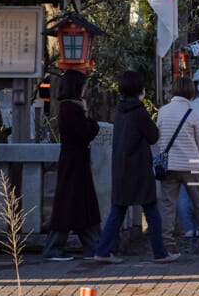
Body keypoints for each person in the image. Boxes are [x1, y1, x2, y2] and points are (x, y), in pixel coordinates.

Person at [91, 70, 174, 263]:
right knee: (152, 211)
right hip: (139, 169)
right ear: (140, 90)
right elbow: (154, 136)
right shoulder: (139, 112)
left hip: (121, 167)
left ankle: (103, 250)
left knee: (118, 210)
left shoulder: (120, 110)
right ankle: (160, 253)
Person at [156, 76, 199, 256]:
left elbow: (159, 137)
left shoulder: (163, 111)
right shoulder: (192, 113)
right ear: (191, 92)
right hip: (190, 165)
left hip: (169, 165)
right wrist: (197, 159)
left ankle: (168, 244)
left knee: (168, 205)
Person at [42, 70, 102, 261]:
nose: (85, 89)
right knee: (70, 206)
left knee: (77, 205)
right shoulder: (71, 109)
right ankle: (56, 248)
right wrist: (90, 121)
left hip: (75, 162)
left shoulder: (70, 107)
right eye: (82, 85)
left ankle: (93, 247)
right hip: (74, 163)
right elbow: (87, 131)